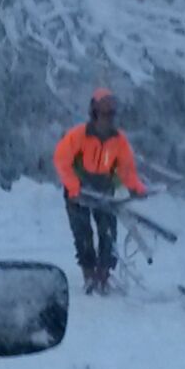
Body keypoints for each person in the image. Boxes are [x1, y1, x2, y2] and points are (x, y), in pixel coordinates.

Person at [53, 88, 148, 294]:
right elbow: (61, 161)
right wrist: (73, 187)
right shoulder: (77, 136)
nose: (108, 119)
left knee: (108, 233)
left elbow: (126, 170)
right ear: (93, 114)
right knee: (83, 234)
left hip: (103, 190)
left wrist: (137, 188)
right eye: (103, 114)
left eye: (111, 114)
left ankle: (103, 276)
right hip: (77, 190)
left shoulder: (119, 141)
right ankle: (89, 276)